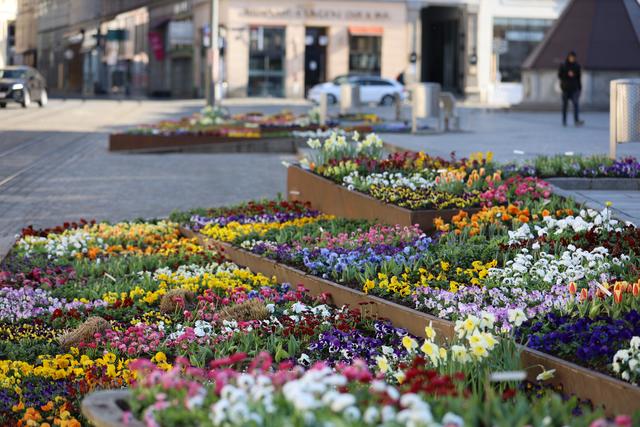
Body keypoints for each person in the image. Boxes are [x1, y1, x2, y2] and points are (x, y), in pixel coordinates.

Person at [558, 51, 584, 127]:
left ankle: (576, 120)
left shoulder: (577, 66)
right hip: (565, 88)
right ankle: (564, 120)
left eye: (573, 57)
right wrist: (567, 74)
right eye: (571, 57)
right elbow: (559, 76)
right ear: (568, 57)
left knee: (576, 104)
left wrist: (580, 88)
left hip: (574, 88)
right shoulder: (563, 65)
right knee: (565, 106)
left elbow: (579, 78)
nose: (572, 59)